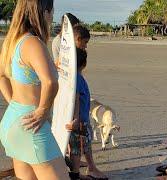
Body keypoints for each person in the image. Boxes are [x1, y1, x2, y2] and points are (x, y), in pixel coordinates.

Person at [0, 0, 69, 179]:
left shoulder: (13, 40)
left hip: (13, 120)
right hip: (32, 126)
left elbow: (2, 75)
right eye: (52, 11)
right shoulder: (33, 42)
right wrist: (42, 111)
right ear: (44, 12)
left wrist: (13, 102)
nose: (52, 16)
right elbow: (51, 83)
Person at [66, 48, 108, 179]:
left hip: (79, 119)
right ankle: (75, 175)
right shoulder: (77, 78)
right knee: (77, 149)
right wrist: (76, 119)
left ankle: (86, 170)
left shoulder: (72, 76)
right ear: (84, 64)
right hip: (79, 121)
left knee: (83, 145)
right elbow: (76, 98)